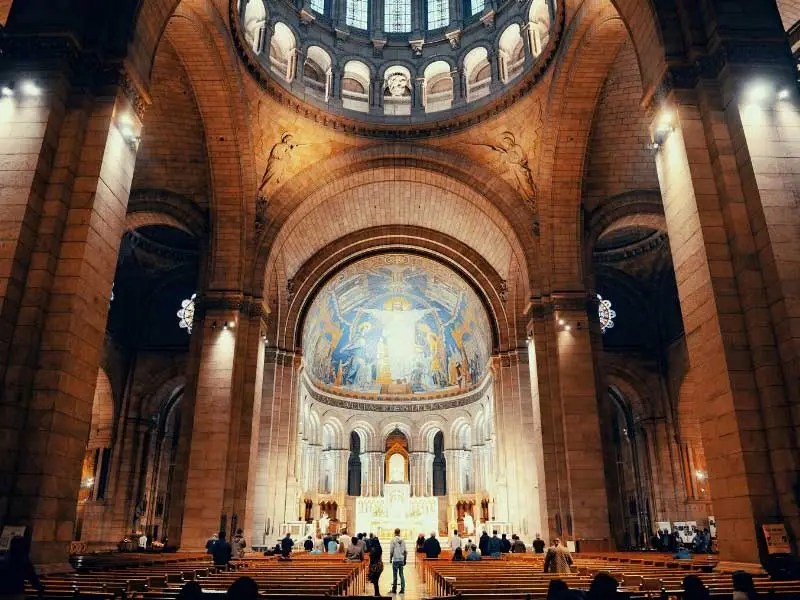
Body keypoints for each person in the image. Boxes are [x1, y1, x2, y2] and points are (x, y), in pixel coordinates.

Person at [389, 528, 407, 594]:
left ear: (394, 532)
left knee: (395, 575)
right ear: (399, 532)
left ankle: (394, 589)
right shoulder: (403, 540)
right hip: (401, 559)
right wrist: (405, 559)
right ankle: (402, 589)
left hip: (395, 559)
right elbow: (405, 551)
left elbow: (391, 551)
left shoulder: (393, 540)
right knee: (401, 574)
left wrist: (390, 558)